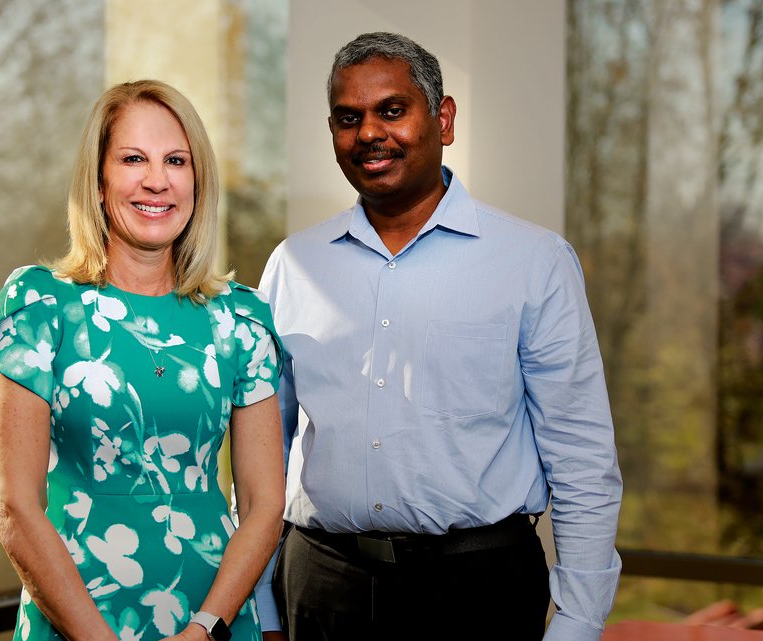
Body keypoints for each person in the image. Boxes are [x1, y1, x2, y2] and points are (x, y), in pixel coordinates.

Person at [257, 32, 622, 641]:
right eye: (349, 119)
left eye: (392, 111)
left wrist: (581, 620)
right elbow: (263, 452)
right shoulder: (293, 266)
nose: (370, 133)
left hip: (478, 590)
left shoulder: (534, 261)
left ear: (443, 118)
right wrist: (261, 605)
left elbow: (582, 454)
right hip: (321, 585)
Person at [0, 80, 285, 641]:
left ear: (197, 182)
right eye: (133, 159)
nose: (157, 180)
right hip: (75, 618)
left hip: (212, 615)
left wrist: (205, 627)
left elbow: (265, 506)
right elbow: (13, 507)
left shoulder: (241, 319)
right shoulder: (40, 306)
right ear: (98, 182)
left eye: (176, 161)